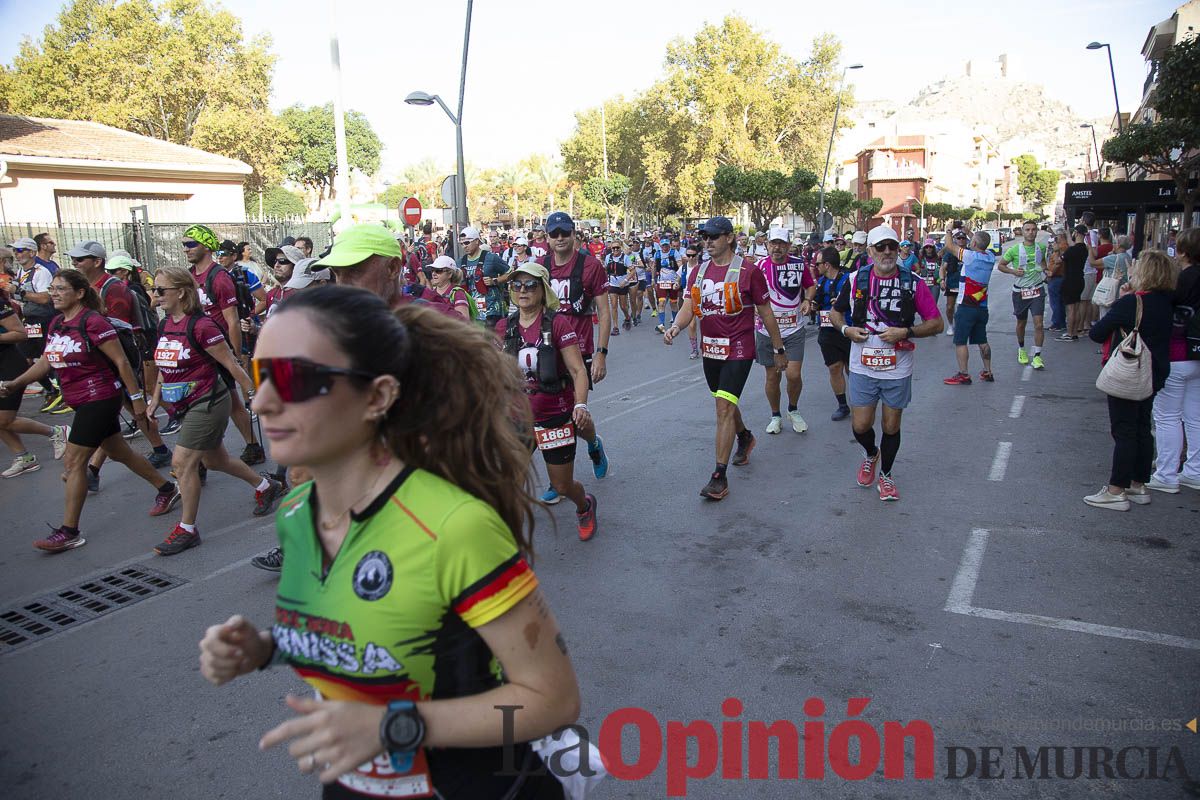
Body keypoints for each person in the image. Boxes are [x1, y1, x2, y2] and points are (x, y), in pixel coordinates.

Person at [199, 286, 579, 798]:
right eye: (264, 375)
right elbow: (364, 633)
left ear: (377, 396)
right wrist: (265, 647)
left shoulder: (453, 525)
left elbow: (553, 701)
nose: (263, 401)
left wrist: (392, 727)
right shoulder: (294, 513)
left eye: (295, 379)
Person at [0, 268, 181, 552]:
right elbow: (46, 362)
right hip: (79, 399)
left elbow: (121, 362)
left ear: (80, 293)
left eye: (61, 289)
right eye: (54, 289)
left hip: (100, 397)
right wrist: (16, 383)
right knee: (120, 452)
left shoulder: (93, 322)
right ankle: (167, 489)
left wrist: (136, 400)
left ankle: (69, 531)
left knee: (73, 463)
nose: (55, 294)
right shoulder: (58, 323)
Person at [147, 266, 285, 555]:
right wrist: (154, 398)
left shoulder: (202, 326)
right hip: (183, 404)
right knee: (215, 460)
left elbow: (231, 363)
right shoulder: (165, 325)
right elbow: (165, 365)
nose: (155, 295)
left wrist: (251, 392)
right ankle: (265, 486)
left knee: (182, 463)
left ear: (182, 293)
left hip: (207, 402)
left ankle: (187, 529)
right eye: (154, 290)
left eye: (161, 290)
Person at [663, 216, 786, 500]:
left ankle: (719, 476)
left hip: (739, 348)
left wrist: (778, 349)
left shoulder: (749, 271)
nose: (708, 241)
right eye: (705, 236)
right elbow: (689, 305)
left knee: (722, 409)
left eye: (714, 236)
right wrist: (675, 327)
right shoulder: (698, 271)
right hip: (711, 349)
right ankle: (744, 436)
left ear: (729, 238)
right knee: (723, 402)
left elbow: (766, 312)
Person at [828, 225, 943, 501]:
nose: (888, 252)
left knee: (891, 426)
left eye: (892, 246)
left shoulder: (912, 281)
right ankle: (871, 454)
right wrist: (846, 331)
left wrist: (906, 332)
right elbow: (835, 313)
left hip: (897, 366)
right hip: (862, 364)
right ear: (870, 252)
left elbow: (936, 323)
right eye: (881, 247)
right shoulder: (856, 279)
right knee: (860, 426)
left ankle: (886, 475)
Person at [496, 262, 597, 540]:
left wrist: (580, 405)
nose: (522, 290)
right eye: (516, 285)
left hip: (554, 414)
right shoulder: (505, 326)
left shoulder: (558, 323)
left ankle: (585, 505)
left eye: (530, 285)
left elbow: (578, 371)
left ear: (542, 290)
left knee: (562, 486)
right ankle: (508, 537)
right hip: (518, 417)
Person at [1085, 251, 1177, 510]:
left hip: (1131, 371)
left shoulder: (1133, 303)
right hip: (1155, 371)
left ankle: (1116, 490)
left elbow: (1097, 332)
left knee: (1124, 430)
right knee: (1141, 427)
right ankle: (1139, 484)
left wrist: (1122, 300)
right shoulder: (1165, 301)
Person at [538, 212, 610, 492]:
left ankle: (593, 444)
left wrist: (602, 353)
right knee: (550, 418)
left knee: (575, 417)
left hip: (579, 354)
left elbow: (604, 311)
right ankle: (559, 481)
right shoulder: (540, 267)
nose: (559, 238)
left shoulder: (591, 266)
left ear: (573, 234)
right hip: (547, 353)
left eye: (564, 233)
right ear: (546, 238)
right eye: (553, 234)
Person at [184, 225, 265, 465]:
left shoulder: (219, 278)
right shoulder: (189, 276)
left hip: (219, 351)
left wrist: (237, 355)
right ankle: (251, 445)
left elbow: (232, 321)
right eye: (184, 245)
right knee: (229, 402)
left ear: (206, 246)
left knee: (216, 402)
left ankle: (198, 458)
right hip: (199, 351)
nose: (186, 249)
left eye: (191, 244)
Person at [1147, 229, 1200, 493]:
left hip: (1176, 353)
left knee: (1167, 417)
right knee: (1195, 416)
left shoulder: (1182, 279)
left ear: (1183, 251)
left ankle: (1166, 474)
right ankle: (1195, 470)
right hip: (1198, 354)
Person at [0, 281, 69, 477]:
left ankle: (56, 432)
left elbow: (20, 333)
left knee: (5, 419)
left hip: (8, 366)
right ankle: (24, 458)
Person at [755, 227, 813, 434]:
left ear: (789, 246)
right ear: (767, 245)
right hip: (766, 331)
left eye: (781, 244)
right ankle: (775, 415)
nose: (777, 248)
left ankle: (793, 409)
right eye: (773, 243)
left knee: (793, 375)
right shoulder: (759, 267)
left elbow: (810, 285)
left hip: (794, 329)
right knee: (772, 377)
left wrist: (807, 299)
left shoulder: (799, 264)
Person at [11, 237, 64, 412]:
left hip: (44, 319)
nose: (17, 254)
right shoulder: (20, 272)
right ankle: (51, 389)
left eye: (20, 250)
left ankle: (62, 392)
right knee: (23, 358)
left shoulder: (41, 272)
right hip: (30, 321)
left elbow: (44, 298)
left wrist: (20, 292)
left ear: (32, 252)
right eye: (15, 251)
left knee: (48, 357)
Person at [943, 231, 997, 385]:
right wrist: (969, 232)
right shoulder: (990, 257)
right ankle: (988, 371)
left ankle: (963, 374)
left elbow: (949, 246)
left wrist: (948, 230)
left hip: (967, 306)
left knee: (960, 341)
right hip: (982, 306)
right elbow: (982, 241)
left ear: (973, 244)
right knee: (982, 340)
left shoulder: (970, 257)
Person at [997, 220, 1049, 369]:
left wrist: (1046, 271)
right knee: (1021, 323)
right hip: (1020, 292)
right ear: (1023, 231)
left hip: (1037, 290)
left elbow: (1043, 262)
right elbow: (1001, 265)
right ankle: (1021, 349)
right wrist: (1014, 271)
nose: (1031, 232)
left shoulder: (1042, 247)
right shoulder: (1014, 250)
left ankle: (1038, 356)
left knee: (1039, 324)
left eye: (1033, 229)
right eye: (1027, 230)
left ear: (1037, 231)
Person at [813, 245, 852, 421]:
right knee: (834, 368)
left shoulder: (849, 279)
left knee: (852, 369)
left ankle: (862, 401)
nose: (816, 267)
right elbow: (816, 302)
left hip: (848, 330)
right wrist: (811, 305)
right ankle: (842, 405)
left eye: (818, 263)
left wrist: (844, 302)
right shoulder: (821, 282)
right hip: (827, 331)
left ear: (827, 264)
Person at [458, 226, 510, 329]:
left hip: (491, 311)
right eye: (462, 244)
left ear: (477, 241)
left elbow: (510, 273)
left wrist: (495, 281)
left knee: (490, 341)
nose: (464, 246)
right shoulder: (460, 262)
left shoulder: (491, 257)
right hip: (472, 311)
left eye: (467, 242)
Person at [1059, 225, 1090, 341]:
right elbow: (1074, 246)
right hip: (1080, 279)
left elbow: (1060, 260)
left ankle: (1069, 333)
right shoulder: (1084, 249)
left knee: (1070, 309)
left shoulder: (1071, 250)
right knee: (1076, 307)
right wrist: (1067, 235)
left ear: (1076, 233)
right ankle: (1075, 332)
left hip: (1070, 280)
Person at [653, 238, 683, 334]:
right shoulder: (657, 254)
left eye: (666, 245)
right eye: (663, 246)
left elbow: (680, 266)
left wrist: (679, 280)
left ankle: (675, 323)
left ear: (669, 245)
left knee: (673, 303)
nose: (665, 247)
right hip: (661, 282)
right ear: (660, 246)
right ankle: (661, 324)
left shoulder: (674, 253)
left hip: (673, 281)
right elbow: (654, 266)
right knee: (661, 302)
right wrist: (653, 279)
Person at [604, 240, 635, 333]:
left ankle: (627, 317)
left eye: (617, 247)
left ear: (620, 248)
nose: (616, 249)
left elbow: (633, 271)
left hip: (622, 284)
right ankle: (615, 327)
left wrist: (625, 280)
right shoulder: (608, 257)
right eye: (614, 248)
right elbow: (605, 270)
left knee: (623, 306)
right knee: (613, 305)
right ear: (611, 249)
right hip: (612, 283)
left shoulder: (625, 258)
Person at [940, 230, 966, 336]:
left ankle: (960, 325)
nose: (960, 240)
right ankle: (950, 325)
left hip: (965, 284)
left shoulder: (969, 251)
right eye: (958, 238)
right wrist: (942, 280)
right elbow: (943, 267)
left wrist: (967, 230)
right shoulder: (950, 253)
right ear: (955, 239)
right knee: (950, 306)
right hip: (952, 283)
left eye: (963, 238)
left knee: (962, 307)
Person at [1045, 232, 1068, 331]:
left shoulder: (1059, 253)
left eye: (1055, 242)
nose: (1053, 245)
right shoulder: (1063, 251)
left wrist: (1050, 273)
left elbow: (1056, 265)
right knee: (1060, 302)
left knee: (1055, 302)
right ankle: (1061, 322)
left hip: (1056, 279)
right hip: (1060, 279)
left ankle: (1057, 323)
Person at [916, 243, 942, 307]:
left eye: (930, 247)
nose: (929, 248)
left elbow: (943, 270)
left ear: (933, 248)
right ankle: (924, 317)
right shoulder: (920, 258)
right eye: (926, 247)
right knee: (924, 305)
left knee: (933, 304)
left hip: (935, 284)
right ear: (924, 248)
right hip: (924, 284)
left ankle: (932, 317)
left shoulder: (938, 258)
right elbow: (917, 270)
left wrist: (940, 280)